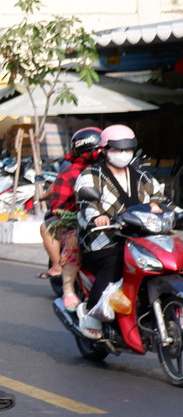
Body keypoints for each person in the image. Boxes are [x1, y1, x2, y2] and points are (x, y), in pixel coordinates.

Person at [74, 124, 165, 339]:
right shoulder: (90, 175)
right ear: (104, 150)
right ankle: (91, 311)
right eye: (117, 149)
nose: (123, 154)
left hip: (141, 238)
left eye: (128, 149)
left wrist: (163, 208)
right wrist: (97, 216)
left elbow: (161, 198)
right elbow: (87, 203)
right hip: (103, 240)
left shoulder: (142, 177)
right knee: (115, 262)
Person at [44, 127, 102, 311]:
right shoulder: (70, 174)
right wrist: (80, 211)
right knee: (74, 241)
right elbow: (57, 206)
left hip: (113, 222)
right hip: (79, 223)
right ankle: (68, 290)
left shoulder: (114, 170)